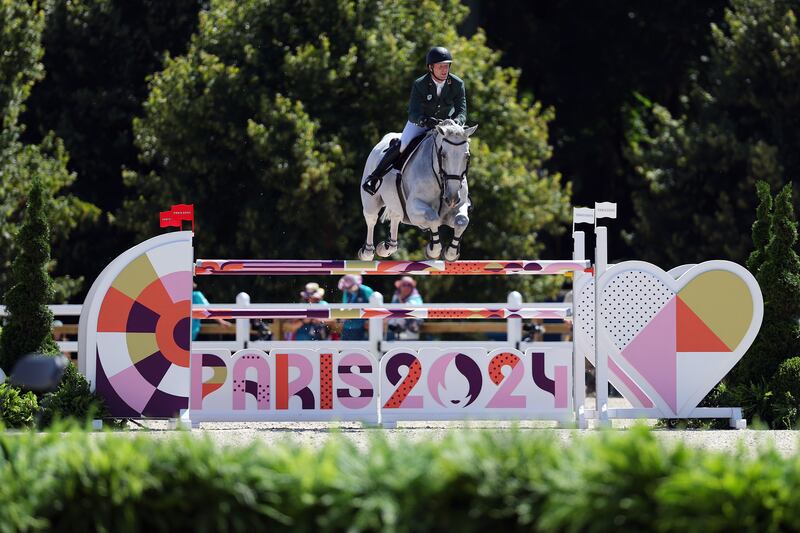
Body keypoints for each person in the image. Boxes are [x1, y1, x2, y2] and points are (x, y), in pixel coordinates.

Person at [362, 46, 467, 195]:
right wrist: (423, 120)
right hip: (421, 124)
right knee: (403, 144)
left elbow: (461, 110)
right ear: (430, 67)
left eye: (447, 66)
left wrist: (456, 123)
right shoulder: (420, 84)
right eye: (440, 67)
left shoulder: (457, 84)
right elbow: (413, 112)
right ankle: (375, 177)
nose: (445, 70)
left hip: (445, 127)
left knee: (458, 150)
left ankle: (463, 193)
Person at [387, 276, 424, 341]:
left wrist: (401, 302)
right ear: (400, 287)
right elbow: (391, 311)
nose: (406, 287)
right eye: (404, 285)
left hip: (412, 328)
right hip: (396, 331)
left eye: (409, 285)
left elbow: (410, 309)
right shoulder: (396, 296)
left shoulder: (415, 296)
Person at [338, 274, 374, 340]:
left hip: (364, 327)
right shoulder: (346, 292)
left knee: (362, 348)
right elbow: (344, 307)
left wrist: (369, 320)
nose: (347, 289)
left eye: (349, 287)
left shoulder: (367, 291)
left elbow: (375, 308)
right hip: (348, 327)